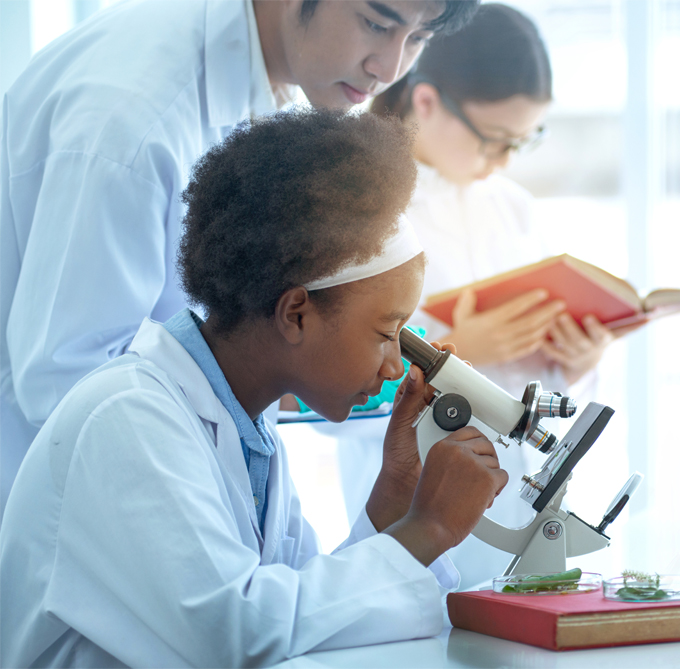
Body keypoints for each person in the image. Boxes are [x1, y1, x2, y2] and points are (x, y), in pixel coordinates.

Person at [0, 109, 508, 667]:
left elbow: (304, 618)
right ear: (295, 314)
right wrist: (430, 527)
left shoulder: (248, 430)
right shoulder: (130, 417)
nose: (395, 367)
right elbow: (235, 638)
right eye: (387, 333)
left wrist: (394, 500)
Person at [0, 0, 479, 518]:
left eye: (419, 38)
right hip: (81, 519)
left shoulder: (275, 87)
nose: (388, 68)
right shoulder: (134, 120)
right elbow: (71, 390)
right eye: (377, 24)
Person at [331, 3, 643, 587]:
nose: (502, 160)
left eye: (521, 143)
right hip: (416, 499)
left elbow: (541, 383)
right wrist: (452, 348)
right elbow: (328, 387)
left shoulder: (514, 209)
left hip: (521, 495)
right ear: (426, 103)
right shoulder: (366, 213)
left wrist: (577, 362)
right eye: (494, 139)